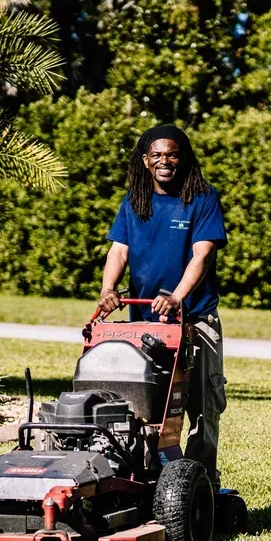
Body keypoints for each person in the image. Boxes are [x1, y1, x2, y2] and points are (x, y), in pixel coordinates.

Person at [97, 125, 228, 484]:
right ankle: (145, 478)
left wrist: (176, 297)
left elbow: (202, 255)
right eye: (156, 155)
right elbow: (119, 250)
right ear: (145, 160)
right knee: (141, 403)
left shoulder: (202, 198)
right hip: (145, 325)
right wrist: (109, 289)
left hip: (194, 321)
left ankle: (200, 483)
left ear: (183, 158)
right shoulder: (135, 200)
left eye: (171, 154)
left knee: (203, 407)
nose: (164, 161)